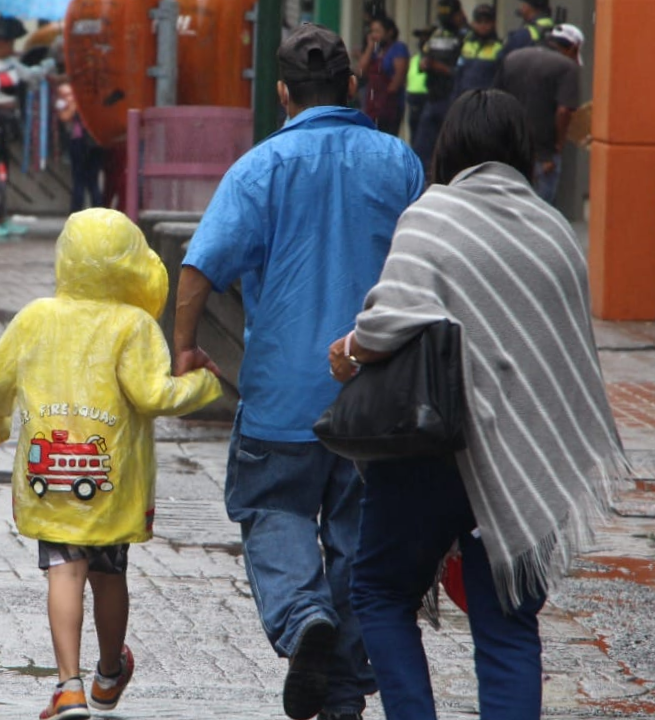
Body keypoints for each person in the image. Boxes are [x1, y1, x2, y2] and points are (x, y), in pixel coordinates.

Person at [330, 89, 627, 720]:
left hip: (428, 455)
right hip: (520, 455)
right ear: (520, 150)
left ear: (451, 148)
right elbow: (565, 355)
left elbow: (387, 328)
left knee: (381, 592)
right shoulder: (554, 230)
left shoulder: (433, 215)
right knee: (509, 621)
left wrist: (350, 347)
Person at [173, 24, 424, 720]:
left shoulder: (261, 167)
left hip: (282, 395)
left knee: (272, 508)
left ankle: (300, 616)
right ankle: (342, 693)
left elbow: (198, 268)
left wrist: (184, 348)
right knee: (354, 540)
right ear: (352, 86)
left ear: (282, 93)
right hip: (375, 396)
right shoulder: (399, 162)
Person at [0, 208, 221, 720]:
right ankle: (109, 671)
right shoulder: (132, 325)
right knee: (109, 576)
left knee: (63, 572)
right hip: (112, 482)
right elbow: (154, 395)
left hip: (50, 481)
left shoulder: (36, 317)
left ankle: (68, 687)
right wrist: (205, 383)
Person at [0, 16, 50, 239]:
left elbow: (29, 77)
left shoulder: (10, 64)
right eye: (11, 43)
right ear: (1, 42)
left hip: (7, 121)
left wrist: (45, 66)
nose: (13, 48)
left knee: (2, 172)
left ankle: (2, 216)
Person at [495, 23, 582, 205]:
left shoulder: (512, 58)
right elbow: (564, 110)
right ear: (573, 48)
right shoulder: (567, 67)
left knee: (509, 208)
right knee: (539, 211)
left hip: (509, 151)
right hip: (543, 157)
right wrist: (557, 147)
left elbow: (494, 100)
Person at [411, 0, 466, 171]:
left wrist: (440, 68)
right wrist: (425, 64)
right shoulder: (436, 34)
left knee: (450, 149)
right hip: (431, 97)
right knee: (421, 150)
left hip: (452, 98)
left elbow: (464, 71)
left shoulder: (465, 37)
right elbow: (424, 57)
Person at [55, 78, 102, 212]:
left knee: (84, 180)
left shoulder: (85, 101)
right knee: (87, 181)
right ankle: (89, 212)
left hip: (84, 141)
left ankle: (80, 212)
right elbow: (64, 116)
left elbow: (64, 117)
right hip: (90, 141)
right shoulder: (76, 102)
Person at [357, 16, 408, 135]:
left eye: (377, 31)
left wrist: (386, 98)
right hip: (372, 104)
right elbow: (361, 71)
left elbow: (399, 76)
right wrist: (369, 47)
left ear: (389, 32)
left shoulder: (398, 48)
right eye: (372, 31)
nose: (374, 35)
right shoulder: (376, 51)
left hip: (390, 105)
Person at [455, 4, 502, 97]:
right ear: (473, 23)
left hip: (487, 99)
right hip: (465, 97)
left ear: (493, 23)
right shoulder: (465, 45)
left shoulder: (499, 47)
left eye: (486, 22)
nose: (483, 25)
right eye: (479, 21)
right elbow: (458, 75)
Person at [405, 27, 431, 139]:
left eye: (425, 38)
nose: (422, 41)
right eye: (420, 38)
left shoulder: (434, 60)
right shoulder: (415, 59)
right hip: (413, 101)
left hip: (428, 100)